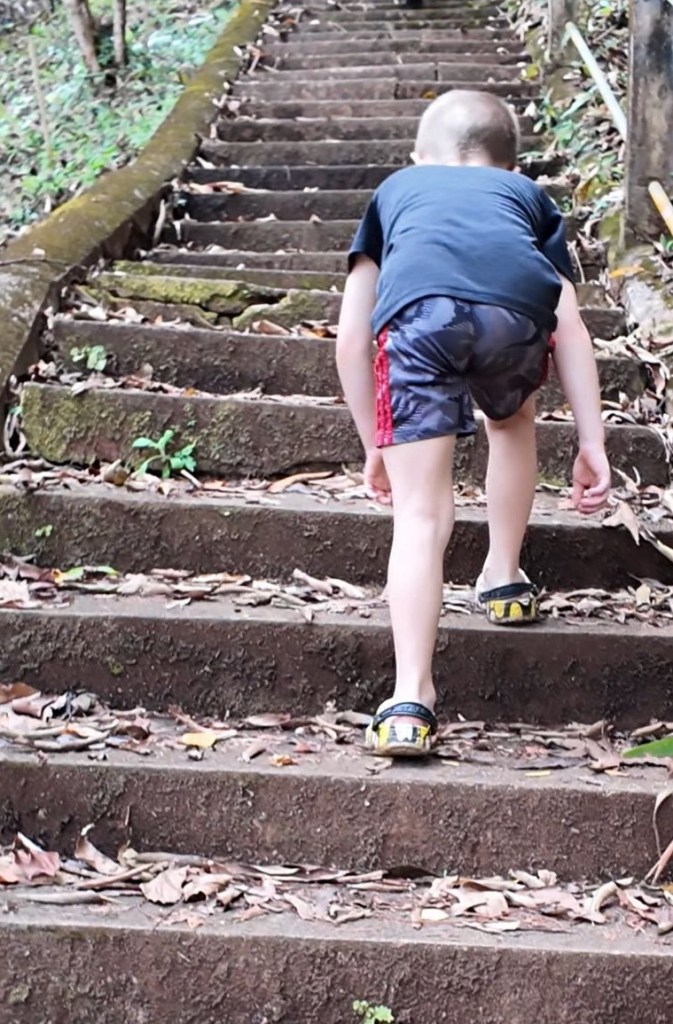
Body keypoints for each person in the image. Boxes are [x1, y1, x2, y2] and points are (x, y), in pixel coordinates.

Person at [335, 89, 611, 758]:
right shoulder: (524, 200)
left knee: (420, 517)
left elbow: (350, 335)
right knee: (512, 418)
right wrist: (590, 439)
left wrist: (376, 443)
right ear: (512, 168)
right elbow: (566, 325)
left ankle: (409, 699)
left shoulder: (397, 191)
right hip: (513, 317)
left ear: (417, 157)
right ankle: (503, 573)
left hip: (418, 318)